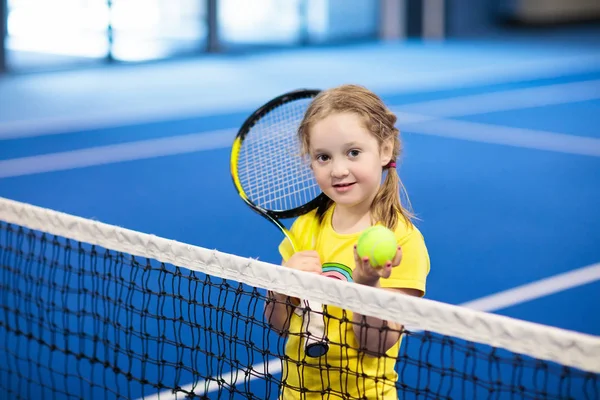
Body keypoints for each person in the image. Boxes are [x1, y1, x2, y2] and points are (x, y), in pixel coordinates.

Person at [263, 84, 430, 399]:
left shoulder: (401, 240)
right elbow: (279, 324)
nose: (338, 170)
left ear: (384, 150)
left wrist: (366, 287)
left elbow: (377, 344)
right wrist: (280, 287)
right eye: (323, 157)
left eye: (353, 152)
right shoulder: (306, 227)